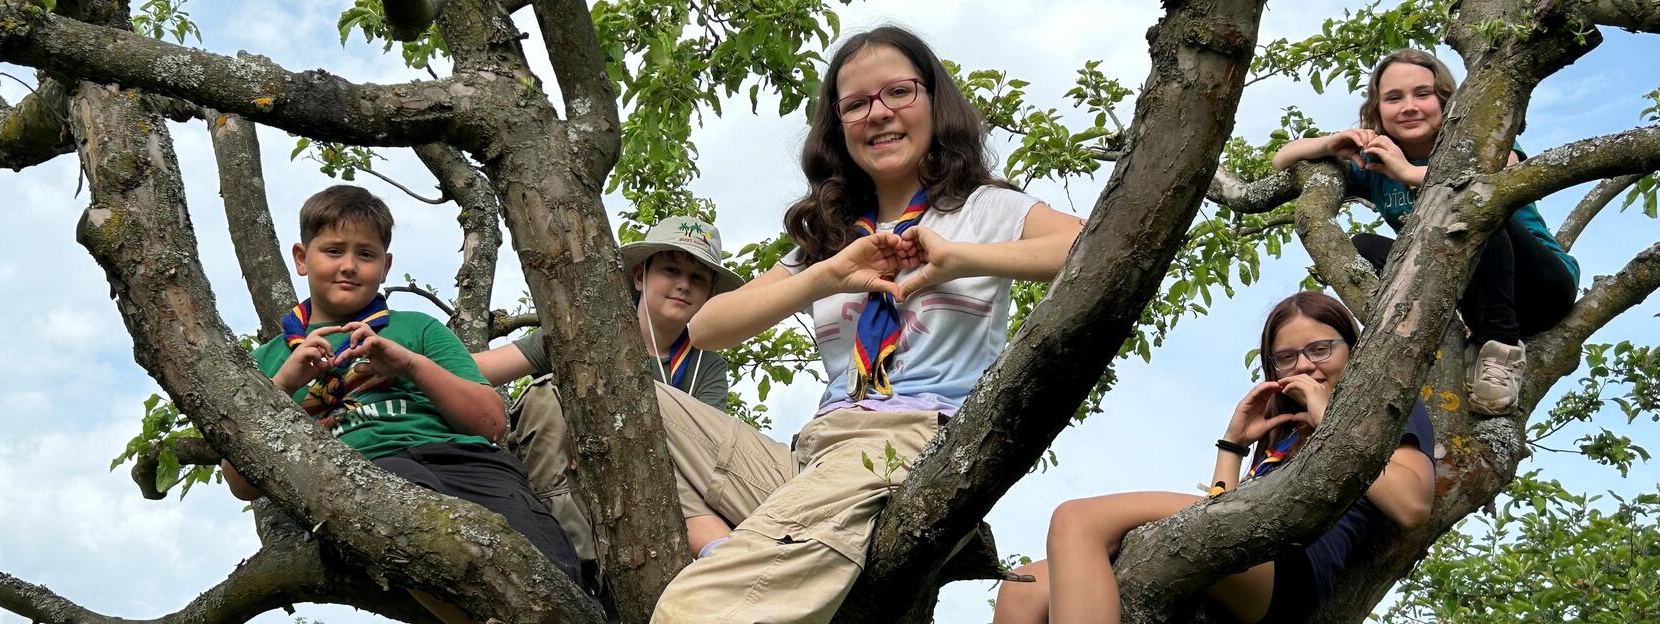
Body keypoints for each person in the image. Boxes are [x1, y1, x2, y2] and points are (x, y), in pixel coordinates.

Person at [650, 25, 1086, 623]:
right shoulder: (831, 237)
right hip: (812, 455)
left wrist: (959, 259)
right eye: (856, 104)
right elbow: (707, 327)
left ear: (934, 101)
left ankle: (763, 562)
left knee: (694, 610)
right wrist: (826, 275)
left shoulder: (986, 208)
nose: (879, 113)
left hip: (913, 441)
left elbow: (1092, 245)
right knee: (638, 403)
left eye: (899, 93)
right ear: (838, 125)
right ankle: (756, 551)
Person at [219, 185, 580, 624]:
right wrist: (285, 382)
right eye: (333, 250)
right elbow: (242, 482)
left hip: (468, 463)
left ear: (385, 266)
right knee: (411, 528)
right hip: (363, 472)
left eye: (365, 254)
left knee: (553, 571)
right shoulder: (267, 360)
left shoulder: (417, 328)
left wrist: (411, 365)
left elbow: (490, 422)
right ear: (301, 257)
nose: (349, 265)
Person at [990, 291, 1437, 624]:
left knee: (1075, 518)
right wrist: (1233, 446)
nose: (1304, 366)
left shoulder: (1380, 408)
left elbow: (1412, 504)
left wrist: (1326, 417)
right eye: (1285, 358)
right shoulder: (1283, 430)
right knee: (1024, 588)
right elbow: (1221, 515)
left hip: (1294, 573)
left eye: (1320, 349)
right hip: (1247, 556)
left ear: (1353, 348)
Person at [471, 216, 795, 599]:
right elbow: (479, 371)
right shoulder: (586, 327)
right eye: (671, 270)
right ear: (640, 276)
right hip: (564, 489)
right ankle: (565, 566)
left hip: (652, 500)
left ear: (709, 295)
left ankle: (727, 561)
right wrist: (413, 362)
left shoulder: (706, 365)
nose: (683, 285)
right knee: (546, 397)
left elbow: (704, 461)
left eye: (698, 279)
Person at [1270, 48, 1579, 415]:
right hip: (1470, 298)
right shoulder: (1375, 160)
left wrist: (1407, 172)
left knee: (1475, 208)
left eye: (1422, 94)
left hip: (1541, 286)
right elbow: (1282, 158)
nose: (1409, 106)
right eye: (1393, 98)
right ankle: (1460, 333)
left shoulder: (1478, 140)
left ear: (1443, 99)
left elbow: (1501, 174)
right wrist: (1329, 143)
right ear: (1377, 109)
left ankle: (1502, 349)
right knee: (1362, 245)